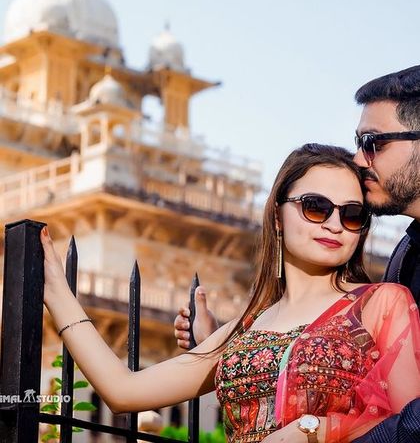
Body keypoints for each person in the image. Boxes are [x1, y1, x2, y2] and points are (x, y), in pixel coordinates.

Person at [42, 143, 420, 443]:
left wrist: (316, 430)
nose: (335, 224)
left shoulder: (380, 304)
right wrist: (58, 295)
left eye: (352, 214)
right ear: (277, 216)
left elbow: (409, 429)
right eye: (316, 207)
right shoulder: (248, 328)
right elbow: (123, 391)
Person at [174, 66, 420, 443]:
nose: (358, 158)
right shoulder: (407, 254)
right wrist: (231, 352)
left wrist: (317, 433)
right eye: (316, 207)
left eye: (372, 142)